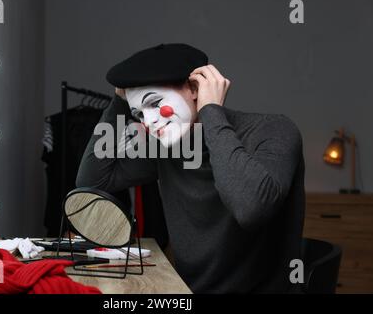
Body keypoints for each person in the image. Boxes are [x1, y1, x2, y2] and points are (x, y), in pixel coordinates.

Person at [76, 43, 305, 293]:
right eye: (139, 114)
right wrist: (119, 104)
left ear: (196, 88)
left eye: (154, 103)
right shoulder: (168, 148)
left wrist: (210, 110)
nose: (148, 121)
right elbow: (92, 182)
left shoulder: (273, 131)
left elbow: (250, 209)